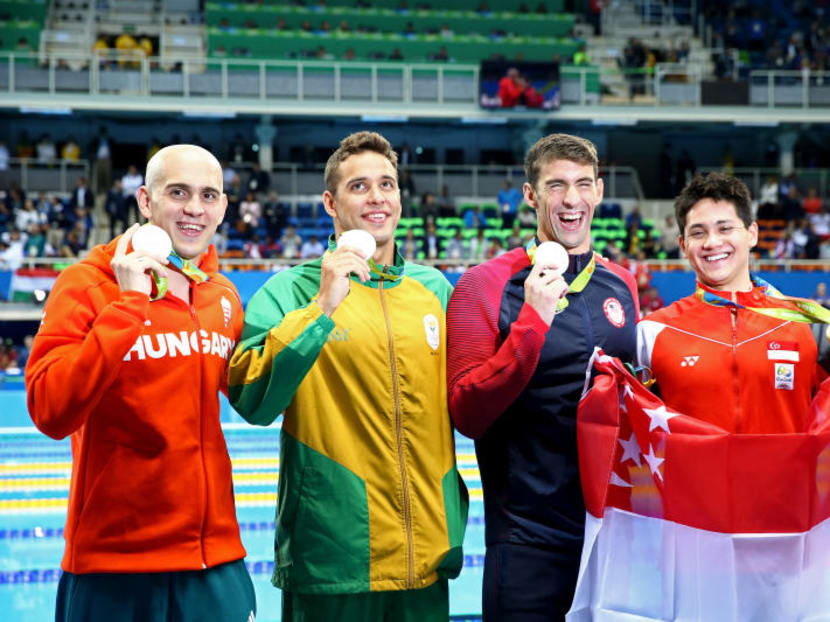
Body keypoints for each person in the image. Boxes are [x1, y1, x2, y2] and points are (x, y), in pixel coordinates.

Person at [228, 131, 467, 622]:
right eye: (359, 186)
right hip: (333, 558)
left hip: (426, 555)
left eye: (387, 184)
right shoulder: (290, 291)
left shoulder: (435, 291)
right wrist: (323, 306)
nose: (377, 197)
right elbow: (252, 398)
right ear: (330, 204)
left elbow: (474, 400)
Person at [25, 144, 256, 622]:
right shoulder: (86, 285)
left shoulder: (223, 296)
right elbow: (49, 410)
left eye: (209, 195)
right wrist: (127, 308)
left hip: (213, 560)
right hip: (114, 566)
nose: (195, 208)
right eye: (178, 193)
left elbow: (258, 400)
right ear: (146, 202)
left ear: (223, 209)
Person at [446, 133, 639, 621]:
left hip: (611, 537)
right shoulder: (485, 285)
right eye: (556, 186)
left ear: (598, 190)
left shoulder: (622, 283)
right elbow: (467, 412)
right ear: (531, 195)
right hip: (527, 539)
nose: (571, 200)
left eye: (581, 185)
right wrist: (532, 321)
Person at [637, 173, 823, 434]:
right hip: (691, 476)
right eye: (698, 233)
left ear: (752, 234)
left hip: (786, 475)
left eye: (725, 229)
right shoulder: (652, 332)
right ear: (683, 245)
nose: (712, 243)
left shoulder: (810, 324)